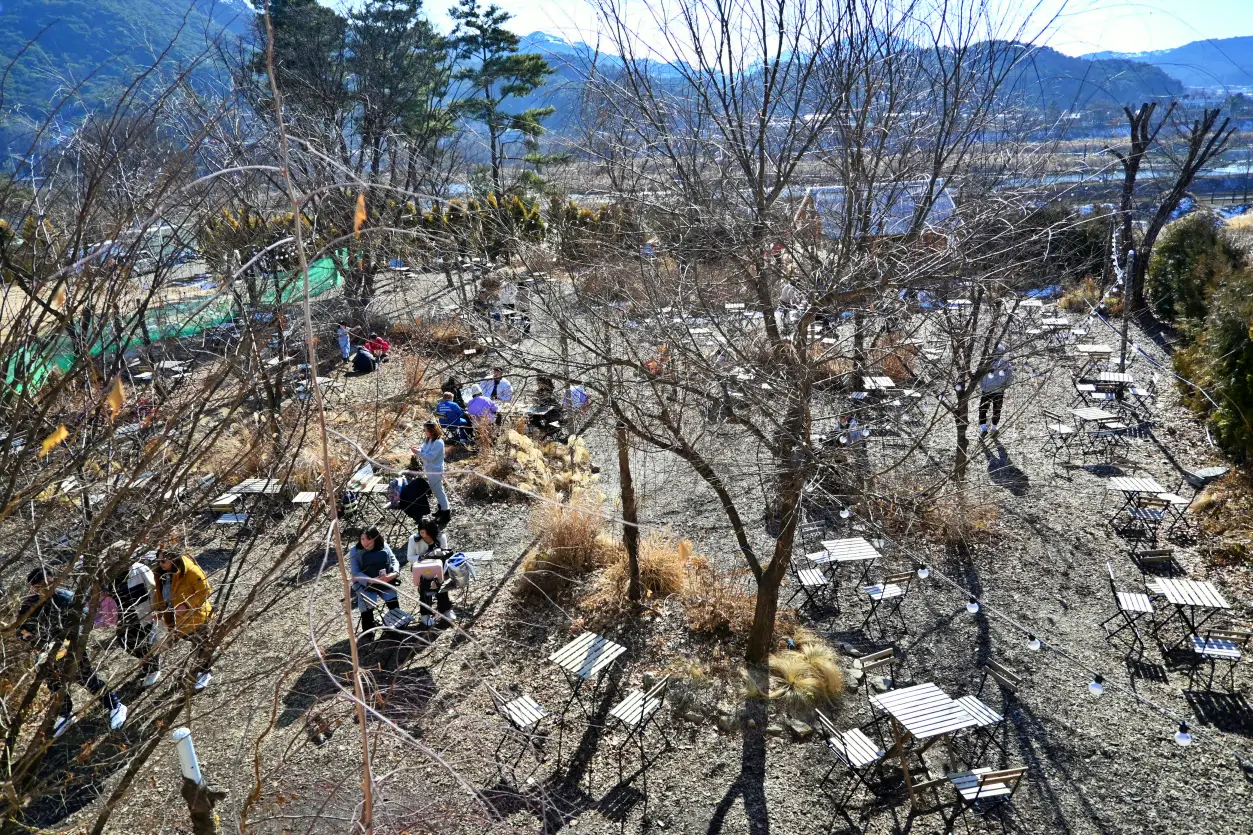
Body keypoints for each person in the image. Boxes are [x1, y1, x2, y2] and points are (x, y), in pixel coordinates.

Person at [19, 567, 128, 736]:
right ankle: (65, 714)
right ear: (33, 587)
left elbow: (86, 621)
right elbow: (21, 627)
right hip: (44, 654)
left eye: (47, 583)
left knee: (86, 678)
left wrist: (66, 640)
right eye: (38, 586)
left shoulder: (66, 598)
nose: (44, 588)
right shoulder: (29, 604)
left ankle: (115, 706)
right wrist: (28, 637)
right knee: (55, 686)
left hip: (70, 648)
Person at [152, 551, 215, 691]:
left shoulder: (191, 571)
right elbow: (159, 593)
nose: (160, 564)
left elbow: (205, 590)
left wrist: (187, 605)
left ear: (174, 558)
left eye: (164, 561)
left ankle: (205, 672)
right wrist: (157, 609)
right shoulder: (159, 573)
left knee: (201, 644)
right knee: (191, 640)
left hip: (195, 615)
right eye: (159, 560)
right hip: (174, 617)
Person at [109, 557, 161, 687]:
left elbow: (154, 589)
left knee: (144, 641)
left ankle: (153, 669)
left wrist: (156, 608)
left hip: (143, 612)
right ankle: (148, 660)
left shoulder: (140, 569)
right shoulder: (111, 574)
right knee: (124, 640)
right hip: (124, 614)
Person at [347, 527, 401, 637]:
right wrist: (372, 580)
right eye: (362, 539)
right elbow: (355, 573)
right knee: (367, 605)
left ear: (375, 539)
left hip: (385, 580)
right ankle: (368, 631)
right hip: (365, 583)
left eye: (368, 539)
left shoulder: (383, 545)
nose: (365, 542)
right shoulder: (355, 550)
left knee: (392, 600)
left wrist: (394, 573)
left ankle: (396, 625)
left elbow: (394, 560)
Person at [406, 520, 455, 626]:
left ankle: (445, 610)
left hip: (438, 566)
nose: (425, 536)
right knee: (425, 589)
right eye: (422, 533)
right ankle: (425, 614)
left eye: (427, 533)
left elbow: (445, 553)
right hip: (421, 568)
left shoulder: (440, 537)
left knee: (441, 588)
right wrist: (422, 557)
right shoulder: (414, 540)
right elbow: (410, 557)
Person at [415, 422, 450, 525]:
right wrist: (418, 449)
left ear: (432, 430)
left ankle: (446, 513)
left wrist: (418, 453)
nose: (424, 432)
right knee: (436, 490)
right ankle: (441, 508)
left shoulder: (438, 442)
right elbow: (423, 448)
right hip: (429, 469)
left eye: (426, 430)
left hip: (435, 470)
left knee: (438, 490)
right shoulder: (428, 440)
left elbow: (430, 457)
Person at [979, 345, 1013, 435]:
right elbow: (1010, 378)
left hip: (987, 390)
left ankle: (984, 428)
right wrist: (1003, 387)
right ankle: (993, 428)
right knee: (996, 409)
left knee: (983, 409)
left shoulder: (986, 362)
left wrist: (982, 386)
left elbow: (978, 376)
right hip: (998, 391)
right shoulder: (1006, 364)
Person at [392, 458, 433, 524]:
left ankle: (419, 518)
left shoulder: (405, 487)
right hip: (419, 505)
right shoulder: (419, 481)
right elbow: (429, 491)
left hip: (411, 506)